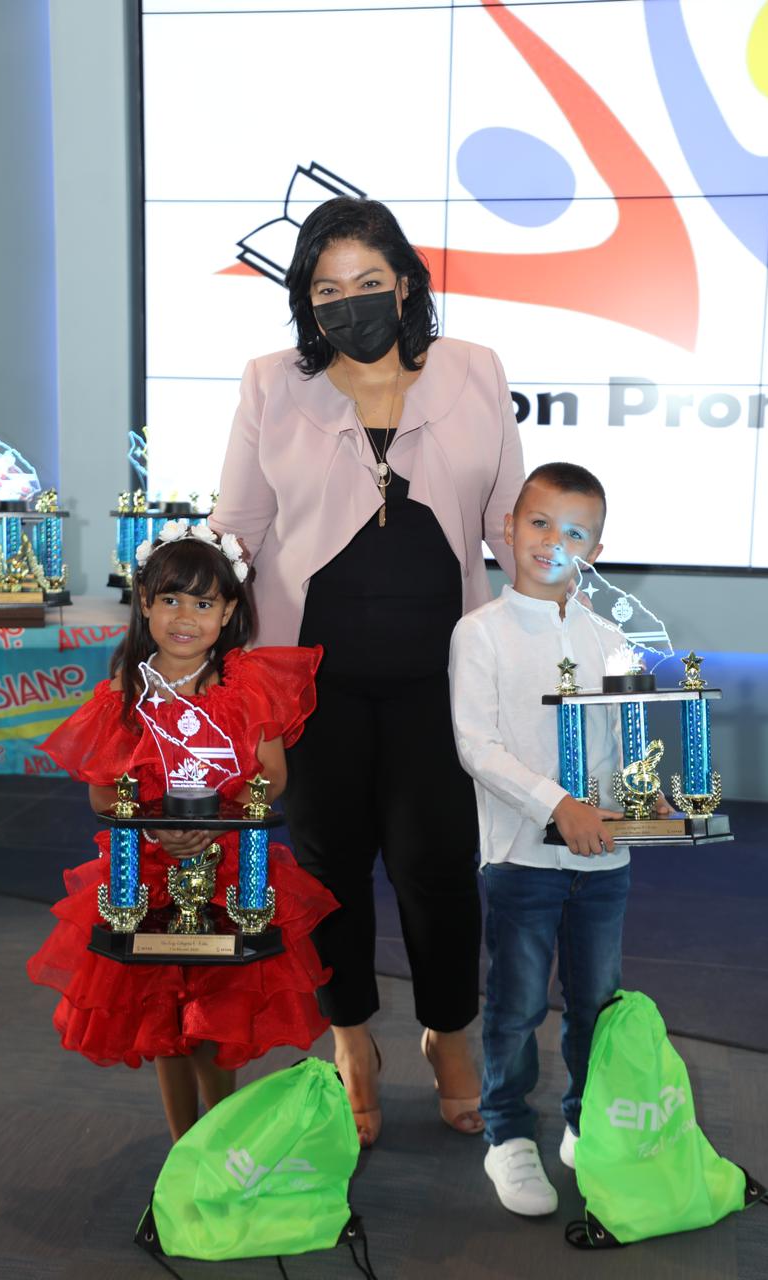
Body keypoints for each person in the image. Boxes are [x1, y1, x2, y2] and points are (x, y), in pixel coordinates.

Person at [210, 197, 525, 1147]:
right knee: (326, 870)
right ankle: (351, 1041)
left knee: (437, 871)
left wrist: (568, 592)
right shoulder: (272, 384)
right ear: (307, 304)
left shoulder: (474, 371)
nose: (350, 304)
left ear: (406, 284)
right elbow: (239, 533)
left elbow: (512, 526)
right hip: (310, 687)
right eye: (326, 290)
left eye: (367, 284)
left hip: (444, 683)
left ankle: (447, 1034)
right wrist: (197, 649)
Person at [27, 523, 337, 1142]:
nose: (185, 617)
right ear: (144, 603)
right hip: (143, 873)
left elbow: (271, 776)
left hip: (230, 871)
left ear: (228, 612)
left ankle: (215, 1141)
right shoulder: (124, 693)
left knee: (216, 1016)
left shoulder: (247, 686)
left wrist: (212, 825)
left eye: (203, 603)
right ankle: (180, 1143)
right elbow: (100, 789)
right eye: (170, 600)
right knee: (161, 1017)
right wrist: (160, 831)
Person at [450, 462, 671, 1216]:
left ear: (595, 549)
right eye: (539, 522)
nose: (553, 542)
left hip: (604, 862)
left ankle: (584, 1120)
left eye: (574, 531)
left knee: (595, 1003)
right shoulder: (478, 633)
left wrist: (644, 794)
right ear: (509, 528)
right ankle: (507, 1135)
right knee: (514, 1006)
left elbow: (617, 749)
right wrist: (558, 806)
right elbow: (477, 747)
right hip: (520, 859)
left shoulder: (611, 640)